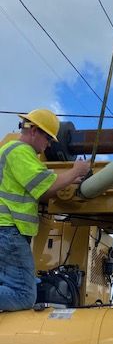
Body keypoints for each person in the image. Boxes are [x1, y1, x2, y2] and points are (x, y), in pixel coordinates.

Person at [0, 109, 90, 311]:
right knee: (23, 295)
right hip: (9, 231)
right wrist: (76, 170)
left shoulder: (9, 151)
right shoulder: (20, 152)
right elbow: (44, 186)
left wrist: (69, 179)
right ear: (33, 131)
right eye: (48, 138)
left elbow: (39, 190)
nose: (49, 144)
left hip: (5, 231)